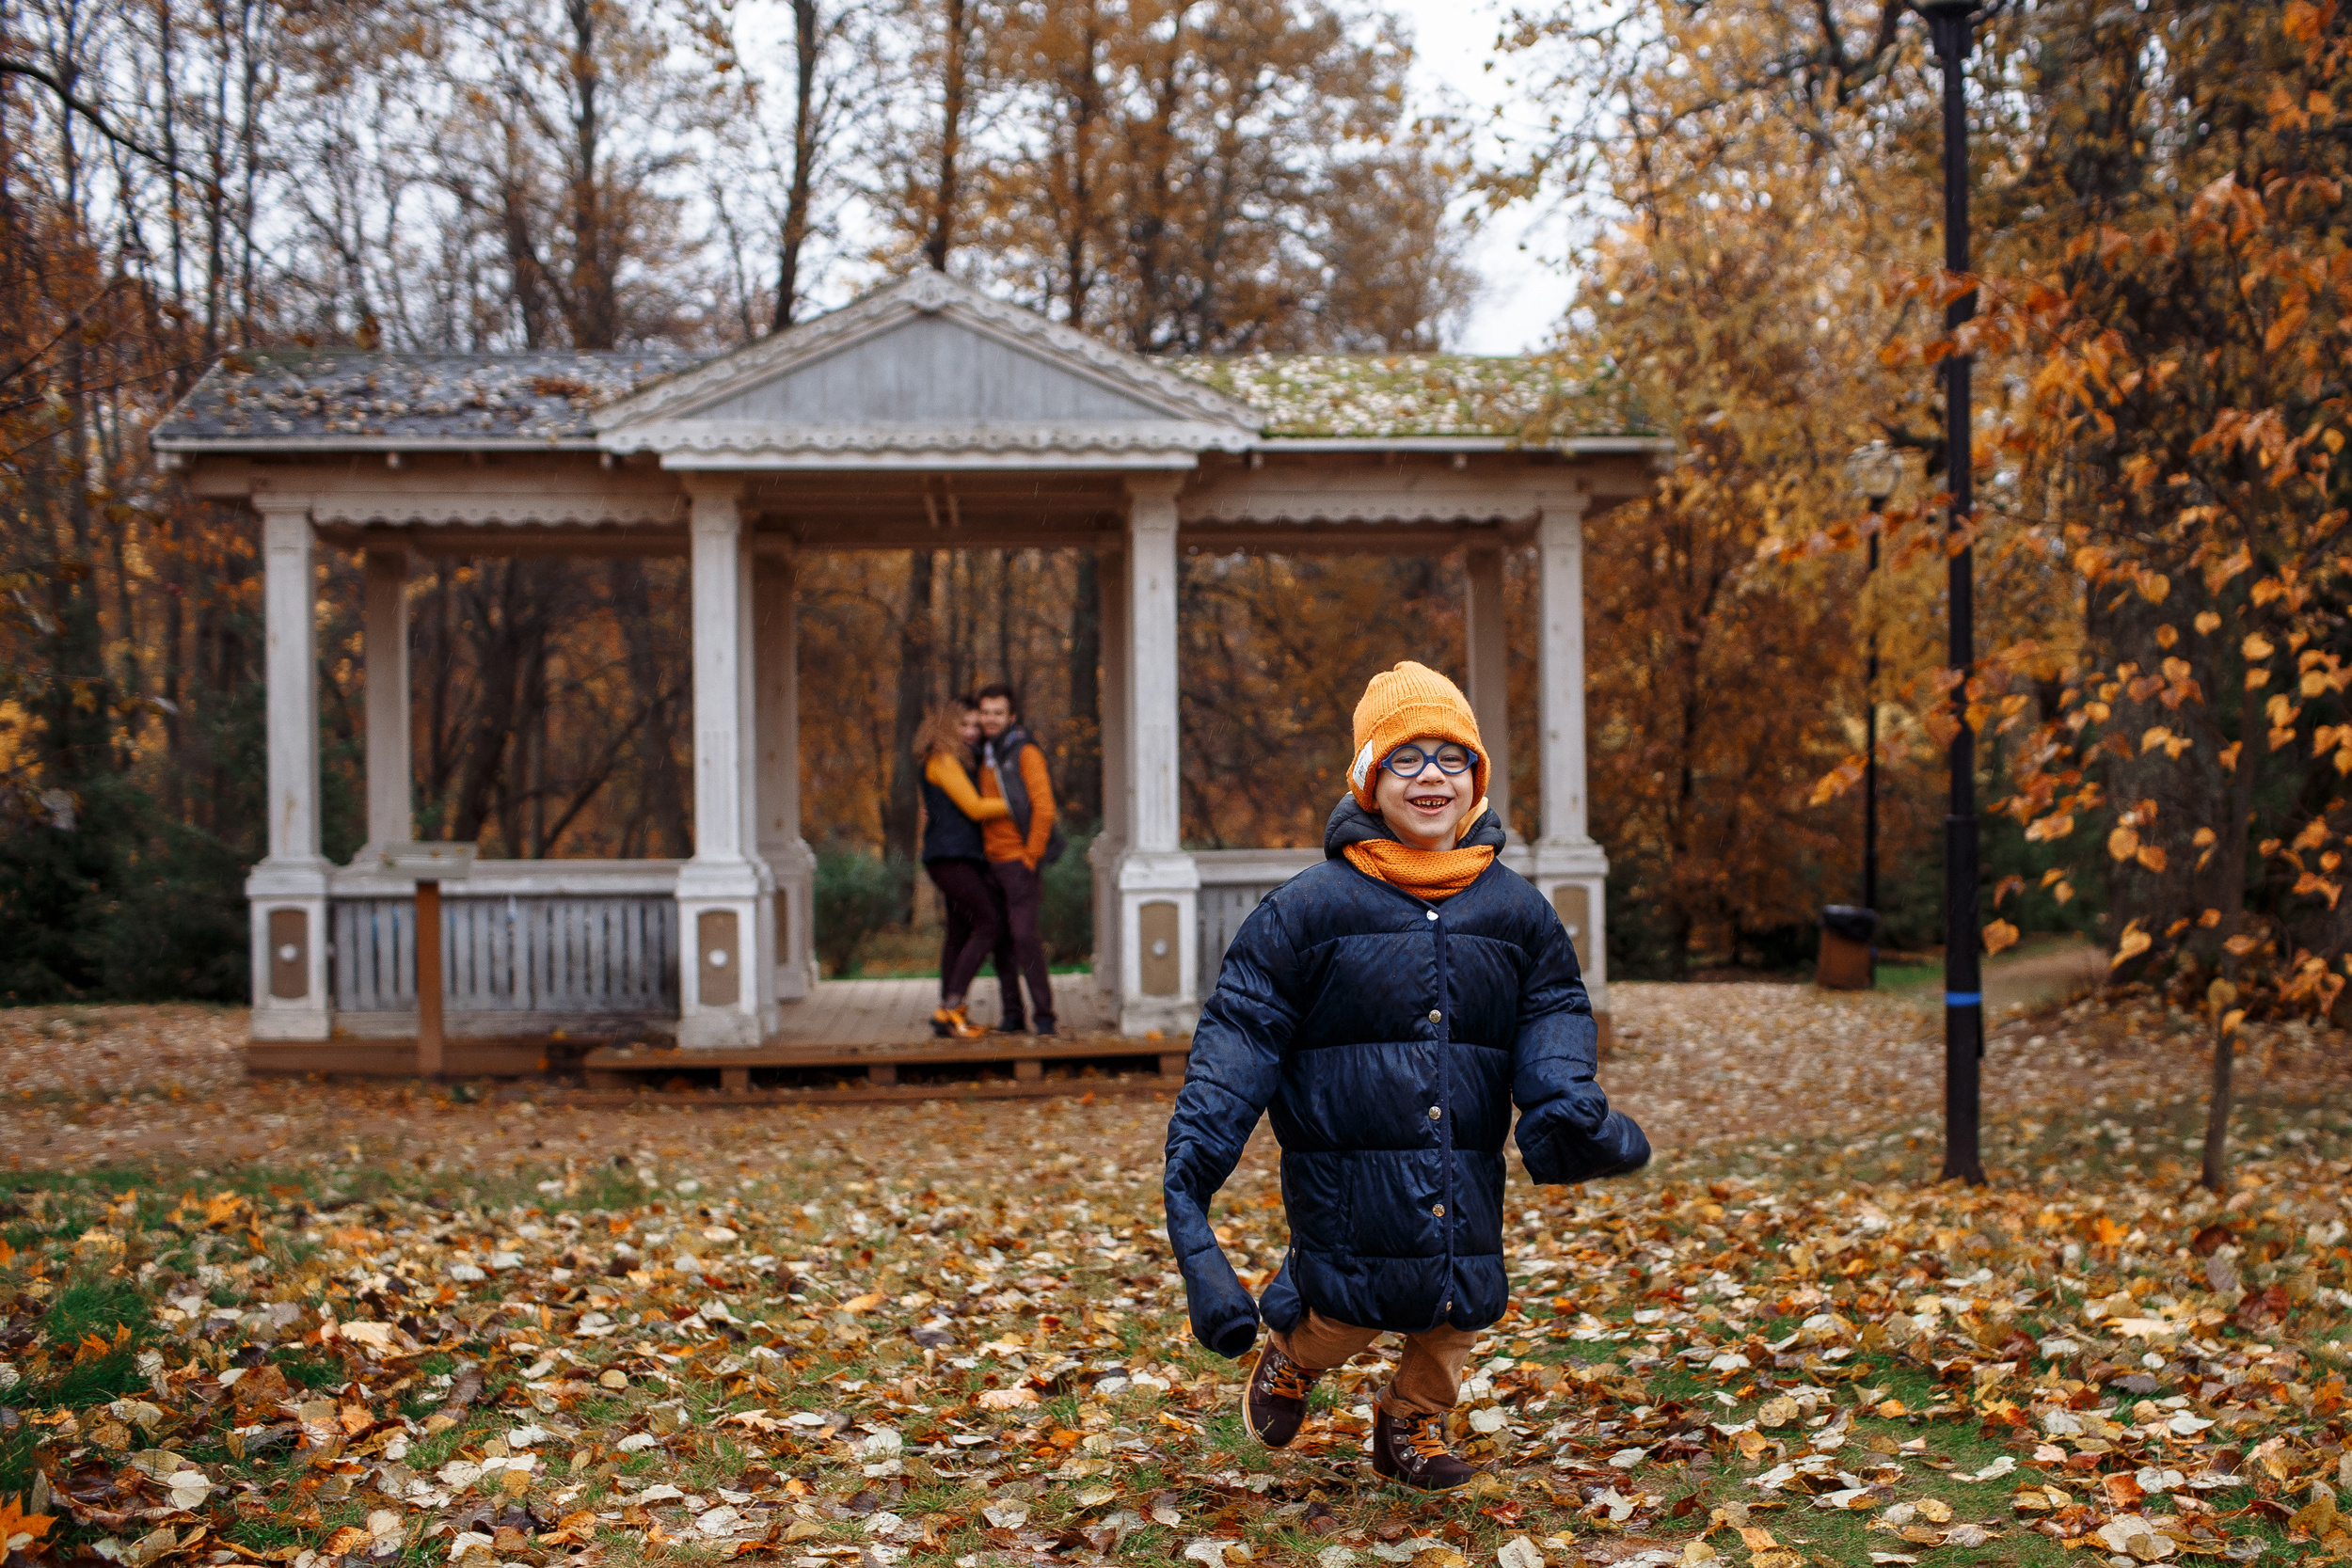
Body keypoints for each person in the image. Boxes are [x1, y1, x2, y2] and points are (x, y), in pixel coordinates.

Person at [1163, 661, 1650, 1491]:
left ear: (1476, 780)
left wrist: (1564, 1098)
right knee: (1348, 1310)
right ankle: (1290, 1355)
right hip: (1345, 1168)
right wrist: (1197, 1163)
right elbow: (1239, 1035)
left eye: (1451, 757)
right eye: (1406, 757)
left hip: (1463, 1157)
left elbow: (1555, 1009)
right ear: (1368, 780)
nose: (1431, 775)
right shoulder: (1306, 912)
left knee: (1460, 1306)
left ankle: (1410, 1420)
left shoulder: (1516, 912)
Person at [911, 698, 1010, 1040]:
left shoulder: (953, 759)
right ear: (944, 727)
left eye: (974, 725)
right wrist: (1019, 802)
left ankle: (948, 1013)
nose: (970, 732)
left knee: (957, 932)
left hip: (956, 855)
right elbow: (975, 807)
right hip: (950, 857)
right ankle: (951, 1006)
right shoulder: (943, 760)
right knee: (989, 922)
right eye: (962, 725)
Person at [974, 683, 1058, 1037]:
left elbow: (1044, 807)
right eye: (985, 712)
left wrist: (1030, 857)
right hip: (988, 861)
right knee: (1002, 941)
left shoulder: (1024, 752)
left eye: (997, 712)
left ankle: (1044, 1016)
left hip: (1018, 862)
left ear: (1011, 716)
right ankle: (1012, 1015)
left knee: (1024, 938)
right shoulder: (983, 752)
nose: (990, 719)